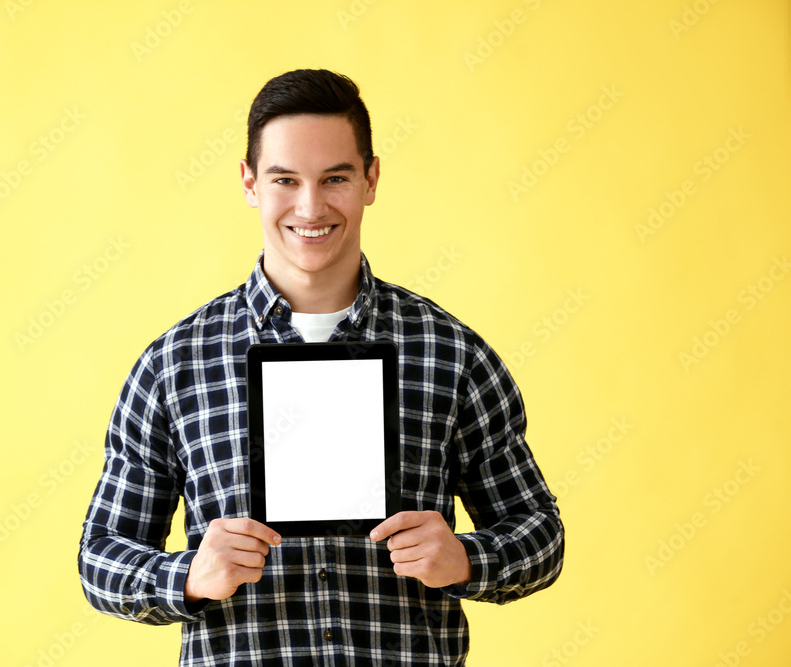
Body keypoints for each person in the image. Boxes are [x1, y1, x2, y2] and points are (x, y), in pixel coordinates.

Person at [78, 68, 564, 665]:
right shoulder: (175, 364)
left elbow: (539, 534)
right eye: (285, 179)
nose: (310, 206)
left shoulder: (450, 353)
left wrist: (466, 558)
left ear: (371, 179)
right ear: (250, 183)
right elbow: (101, 556)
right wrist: (186, 574)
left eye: (335, 177)